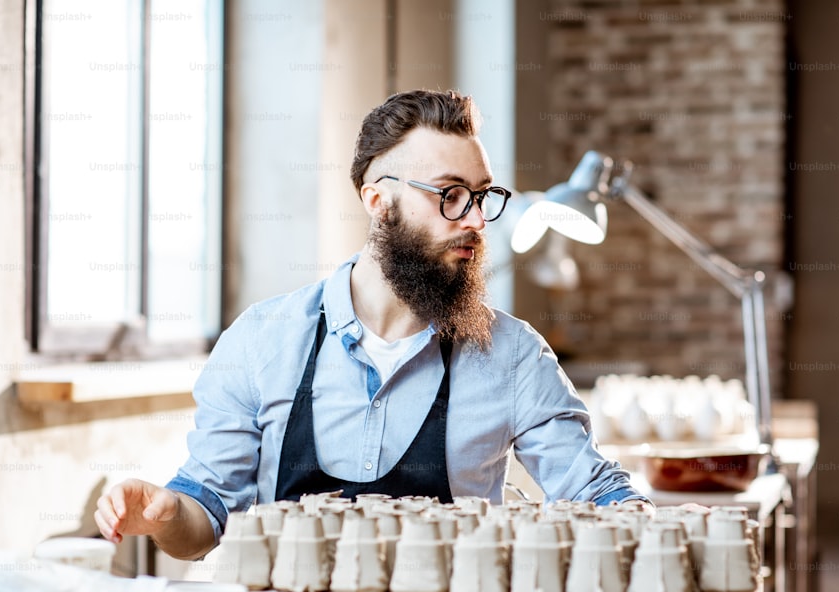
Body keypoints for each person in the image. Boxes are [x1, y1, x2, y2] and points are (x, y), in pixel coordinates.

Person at [95, 89, 650, 560]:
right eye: (451, 195)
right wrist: (166, 514)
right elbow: (205, 517)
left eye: (483, 197)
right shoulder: (263, 339)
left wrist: (644, 519)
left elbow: (594, 489)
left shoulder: (513, 355)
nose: (478, 221)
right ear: (379, 201)